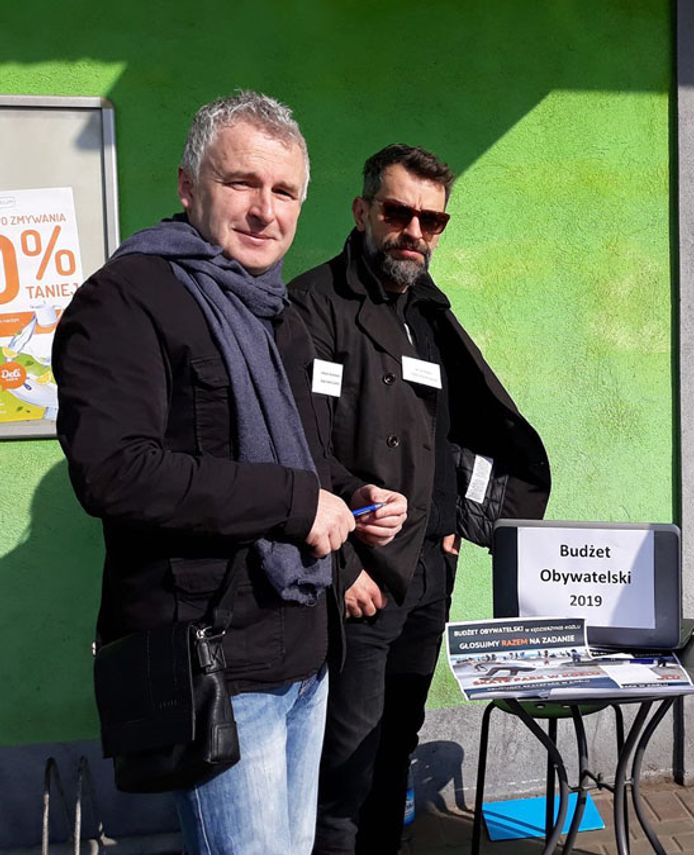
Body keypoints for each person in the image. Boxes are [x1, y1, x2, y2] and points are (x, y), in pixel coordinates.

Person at [53, 91, 408, 854]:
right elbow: (114, 472)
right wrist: (295, 503)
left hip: (304, 654)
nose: (263, 210)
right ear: (189, 186)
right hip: (215, 664)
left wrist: (351, 495)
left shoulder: (274, 311)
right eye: (240, 182)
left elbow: (301, 453)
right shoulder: (126, 298)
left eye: (283, 192)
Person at [289, 144, 550, 853]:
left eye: (431, 221)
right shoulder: (314, 306)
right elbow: (300, 450)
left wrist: (456, 524)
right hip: (365, 576)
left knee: (393, 748)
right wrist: (346, 569)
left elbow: (454, 429)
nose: (414, 232)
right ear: (363, 210)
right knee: (345, 769)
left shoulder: (427, 312)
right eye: (399, 212)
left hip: (430, 571)